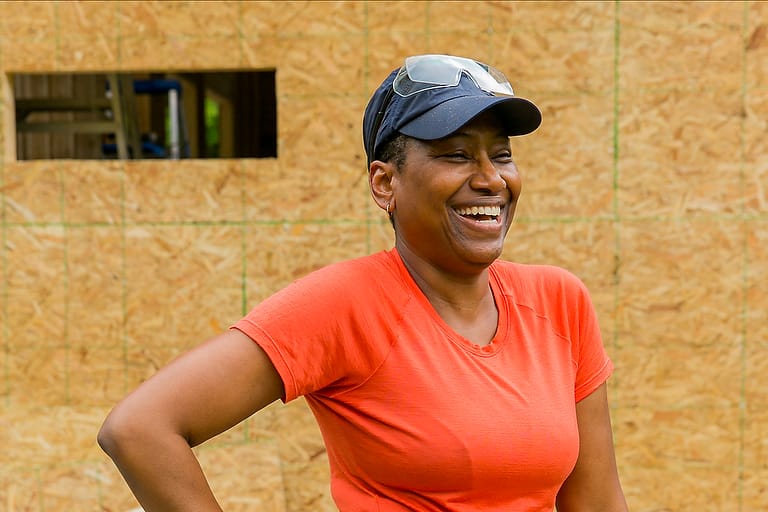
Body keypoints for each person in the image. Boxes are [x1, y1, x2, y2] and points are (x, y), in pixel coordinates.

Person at [98, 54, 628, 511]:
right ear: (385, 182)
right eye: (457, 154)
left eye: (502, 154)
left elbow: (597, 501)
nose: (491, 178)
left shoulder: (559, 302)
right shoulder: (346, 304)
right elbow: (140, 429)